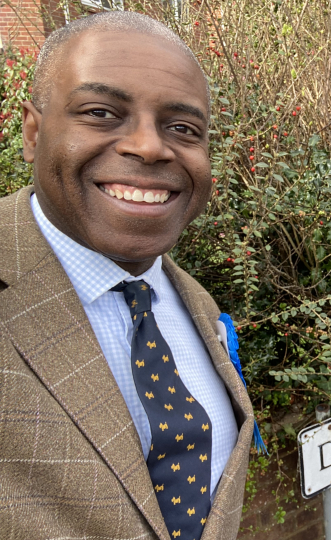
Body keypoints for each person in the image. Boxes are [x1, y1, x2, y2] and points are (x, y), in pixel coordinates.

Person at [0, 12, 255, 540]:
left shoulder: (197, 305)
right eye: (101, 112)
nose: (149, 146)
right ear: (32, 131)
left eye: (182, 128)